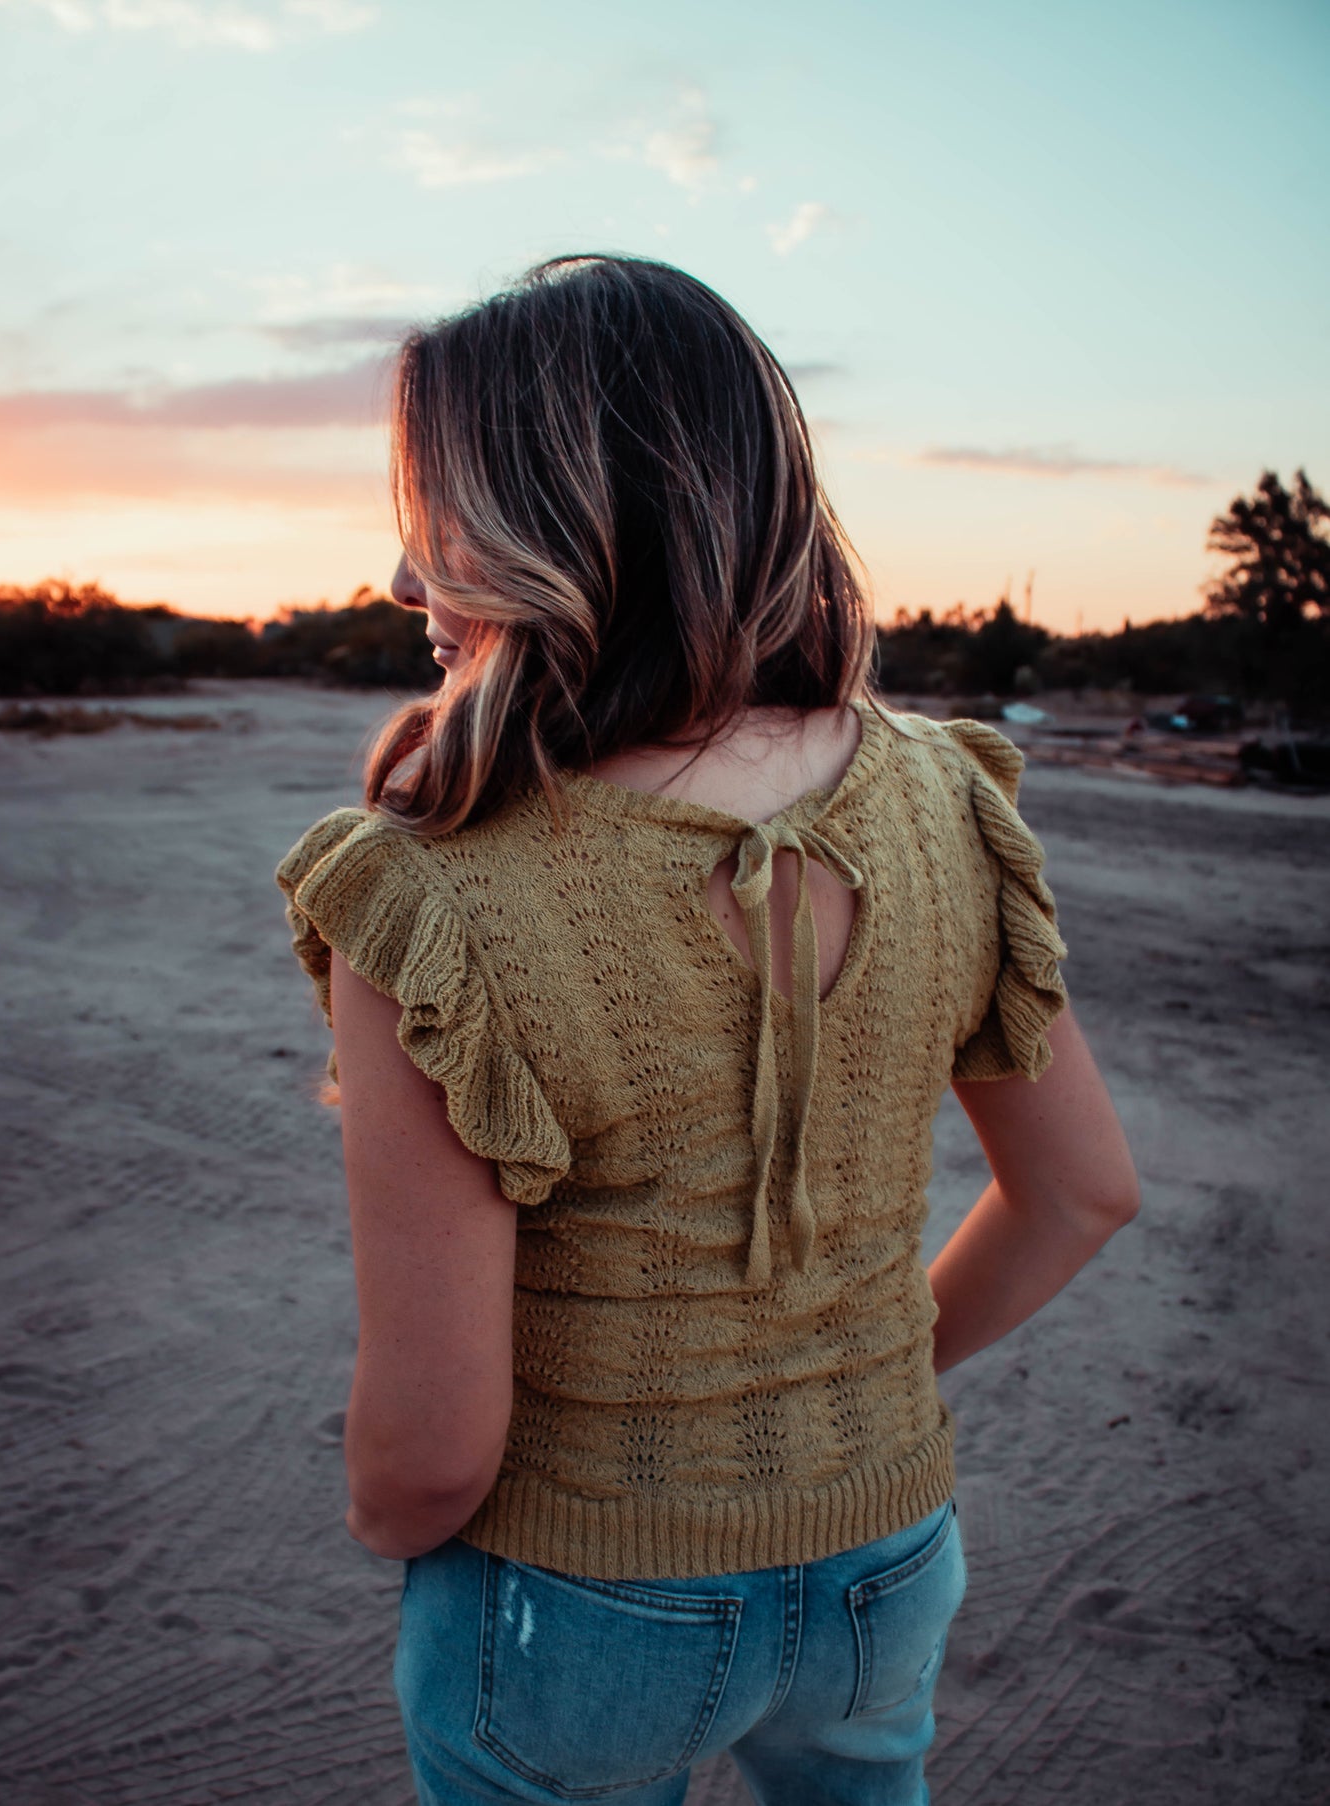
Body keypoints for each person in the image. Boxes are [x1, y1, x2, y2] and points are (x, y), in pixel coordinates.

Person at [277, 254, 1140, 1806]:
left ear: (555, 527)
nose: (405, 580)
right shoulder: (948, 796)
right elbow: (1082, 1190)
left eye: (438, 518)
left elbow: (430, 1451)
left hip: (578, 1590)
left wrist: (386, 1525)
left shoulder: (428, 891)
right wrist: (844, 1395)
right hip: (889, 1553)